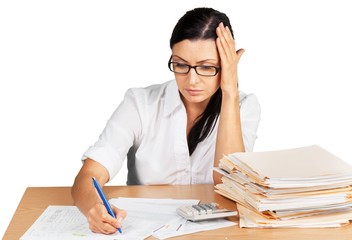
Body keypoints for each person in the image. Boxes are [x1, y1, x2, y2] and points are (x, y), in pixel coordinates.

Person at [72, 7, 261, 234]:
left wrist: (229, 92)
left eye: (207, 67)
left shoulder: (244, 106)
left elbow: (227, 184)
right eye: (181, 65)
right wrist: (94, 207)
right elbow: (89, 175)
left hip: (215, 234)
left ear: (227, 66)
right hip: (144, 232)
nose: (192, 80)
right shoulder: (140, 104)